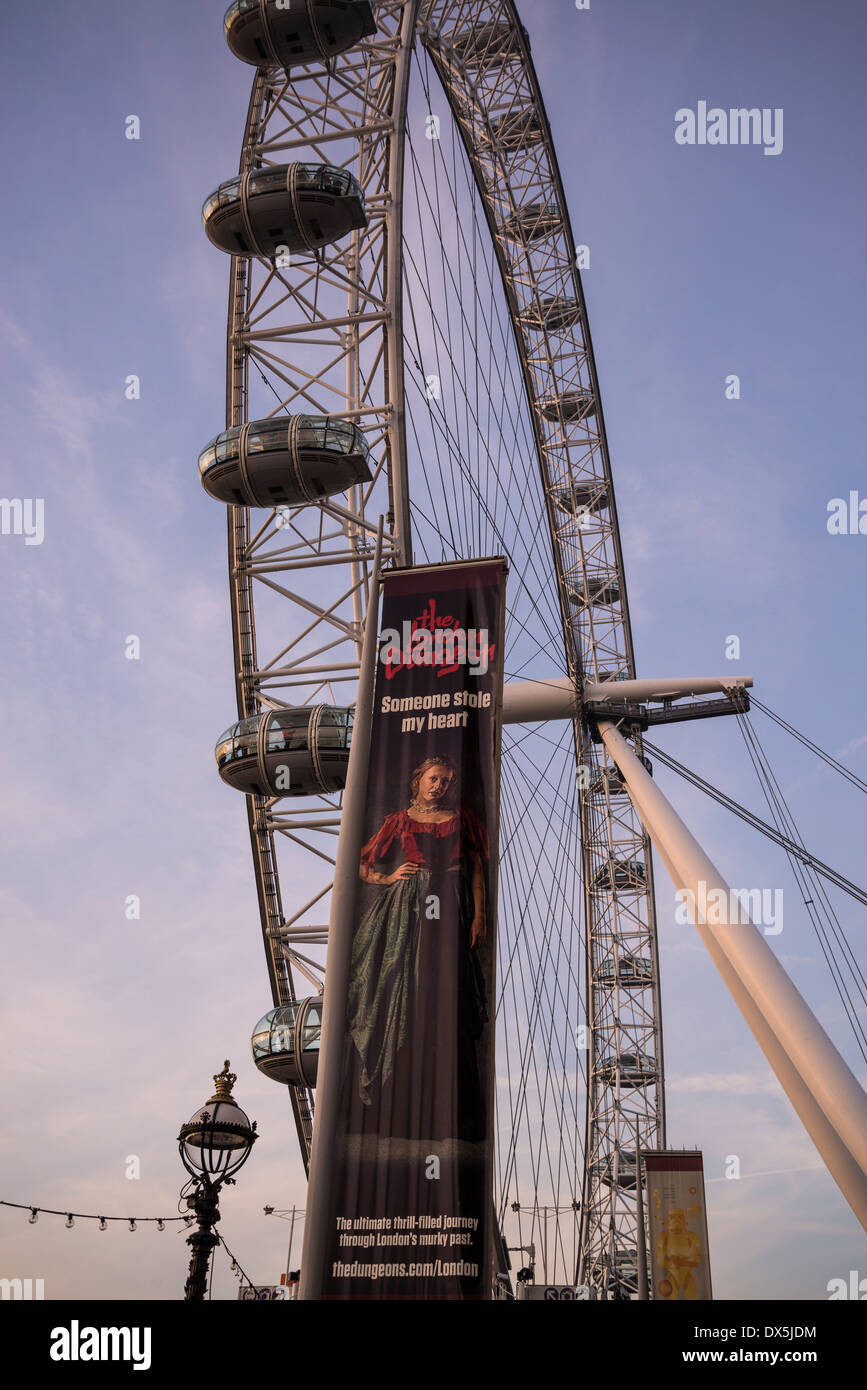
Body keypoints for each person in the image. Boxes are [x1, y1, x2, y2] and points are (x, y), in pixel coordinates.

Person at [344, 754, 489, 1142]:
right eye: (433, 779)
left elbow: (476, 868)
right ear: (418, 780)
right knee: (406, 992)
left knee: (447, 998)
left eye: (445, 781)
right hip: (410, 904)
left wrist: (479, 916)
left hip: (451, 900)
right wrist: (388, 876)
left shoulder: (462, 820)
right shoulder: (399, 820)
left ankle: (454, 1116)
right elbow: (361, 863)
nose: (438, 786)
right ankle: (401, 1110)